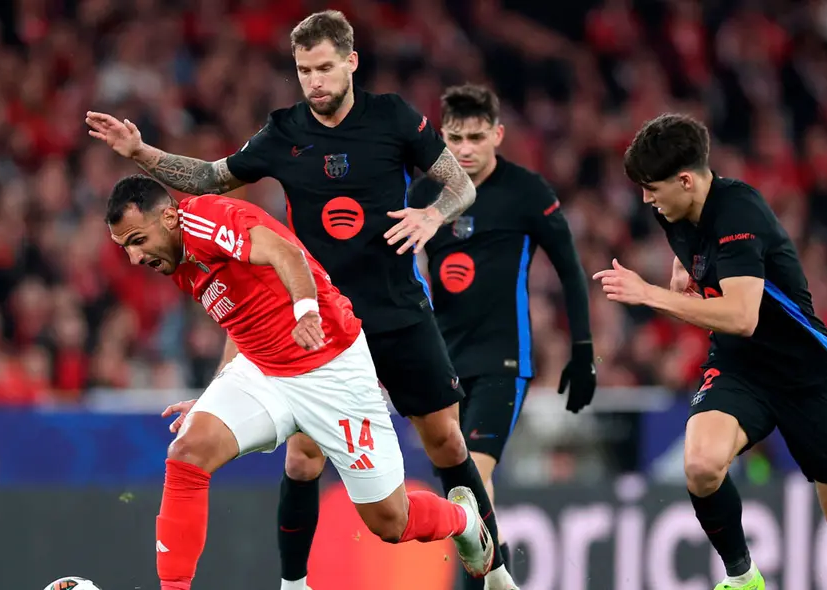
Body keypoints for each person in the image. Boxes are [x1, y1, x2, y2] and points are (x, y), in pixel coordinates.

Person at [86, 10, 517, 590]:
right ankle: (292, 584)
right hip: (287, 344)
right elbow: (213, 179)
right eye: (302, 70)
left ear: (350, 62)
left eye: (323, 67)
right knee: (221, 454)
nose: (313, 80)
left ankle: (483, 548)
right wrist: (143, 153)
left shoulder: (390, 117)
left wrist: (433, 214)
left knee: (423, 470)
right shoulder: (281, 136)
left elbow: (458, 182)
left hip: (361, 328)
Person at [105, 175, 495, 590]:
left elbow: (286, 253)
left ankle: (463, 519)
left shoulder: (204, 218)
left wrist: (306, 310)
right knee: (187, 450)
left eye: (136, 240)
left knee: (391, 521)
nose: (133, 257)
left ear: (168, 217)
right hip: (264, 370)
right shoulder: (174, 257)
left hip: (332, 369)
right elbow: (241, 319)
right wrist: (214, 395)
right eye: (125, 246)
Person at [594, 113, 827, 590]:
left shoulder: (740, 214)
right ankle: (744, 578)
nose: (645, 199)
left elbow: (742, 317)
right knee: (701, 465)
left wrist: (650, 294)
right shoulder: (672, 209)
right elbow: (696, 258)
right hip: (740, 367)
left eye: (652, 187)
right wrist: (681, 273)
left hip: (803, 373)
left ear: (685, 180)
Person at [407, 83, 596, 585]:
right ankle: (498, 576)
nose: (465, 149)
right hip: (440, 363)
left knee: (476, 478)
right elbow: (397, 272)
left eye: (475, 137)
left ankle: (492, 579)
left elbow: (571, 271)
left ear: (498, 135)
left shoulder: (527, 193)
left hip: (501, 360)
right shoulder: (424, 194)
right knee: (456, 492)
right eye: (454, 138)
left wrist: (582, 349)